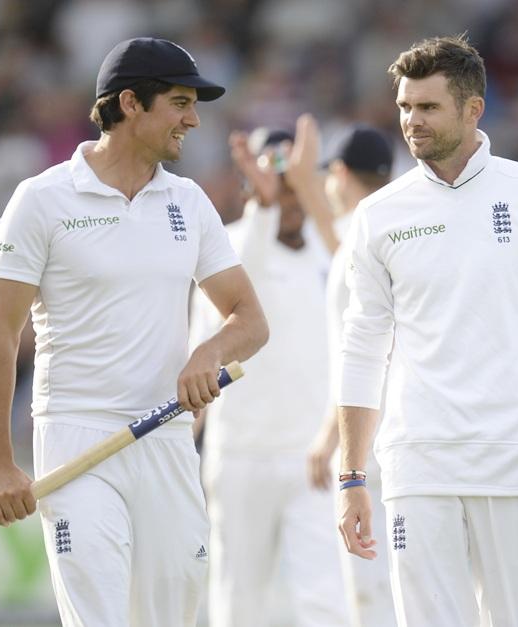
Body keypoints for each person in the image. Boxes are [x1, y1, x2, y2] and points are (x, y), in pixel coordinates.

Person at [0, 37, 268, 627]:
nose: (193, 118)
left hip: (164, 435)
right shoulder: (42, 200)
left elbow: (249, 320)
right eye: (180, 102)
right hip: (75, 439)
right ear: (130, 103)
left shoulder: (189, 201)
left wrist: (207, 353)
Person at [336, 35, 518, 627]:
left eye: (429, 107)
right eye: (405, 107)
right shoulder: (377, 215)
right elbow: (364, 344)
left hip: (517, 464)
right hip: (417, 466)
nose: (412, 122)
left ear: (473, 109)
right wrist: (352, 474)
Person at [189, 126, 350, 627]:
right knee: (239, 603)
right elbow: (227, 323)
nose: (287, 196)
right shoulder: (229, 248)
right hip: (241, 456)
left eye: (292, 182)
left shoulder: (333, 248)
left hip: (315, 458)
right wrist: (262, 212)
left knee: (327, 600)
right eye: (271, 184)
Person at [285, 114, 397, 627]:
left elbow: (363, 352)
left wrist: (330, 437)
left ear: (342, 174)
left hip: (367, 443)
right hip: (391, 434)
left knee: (372, 593)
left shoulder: (364, 234)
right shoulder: (389, 231)